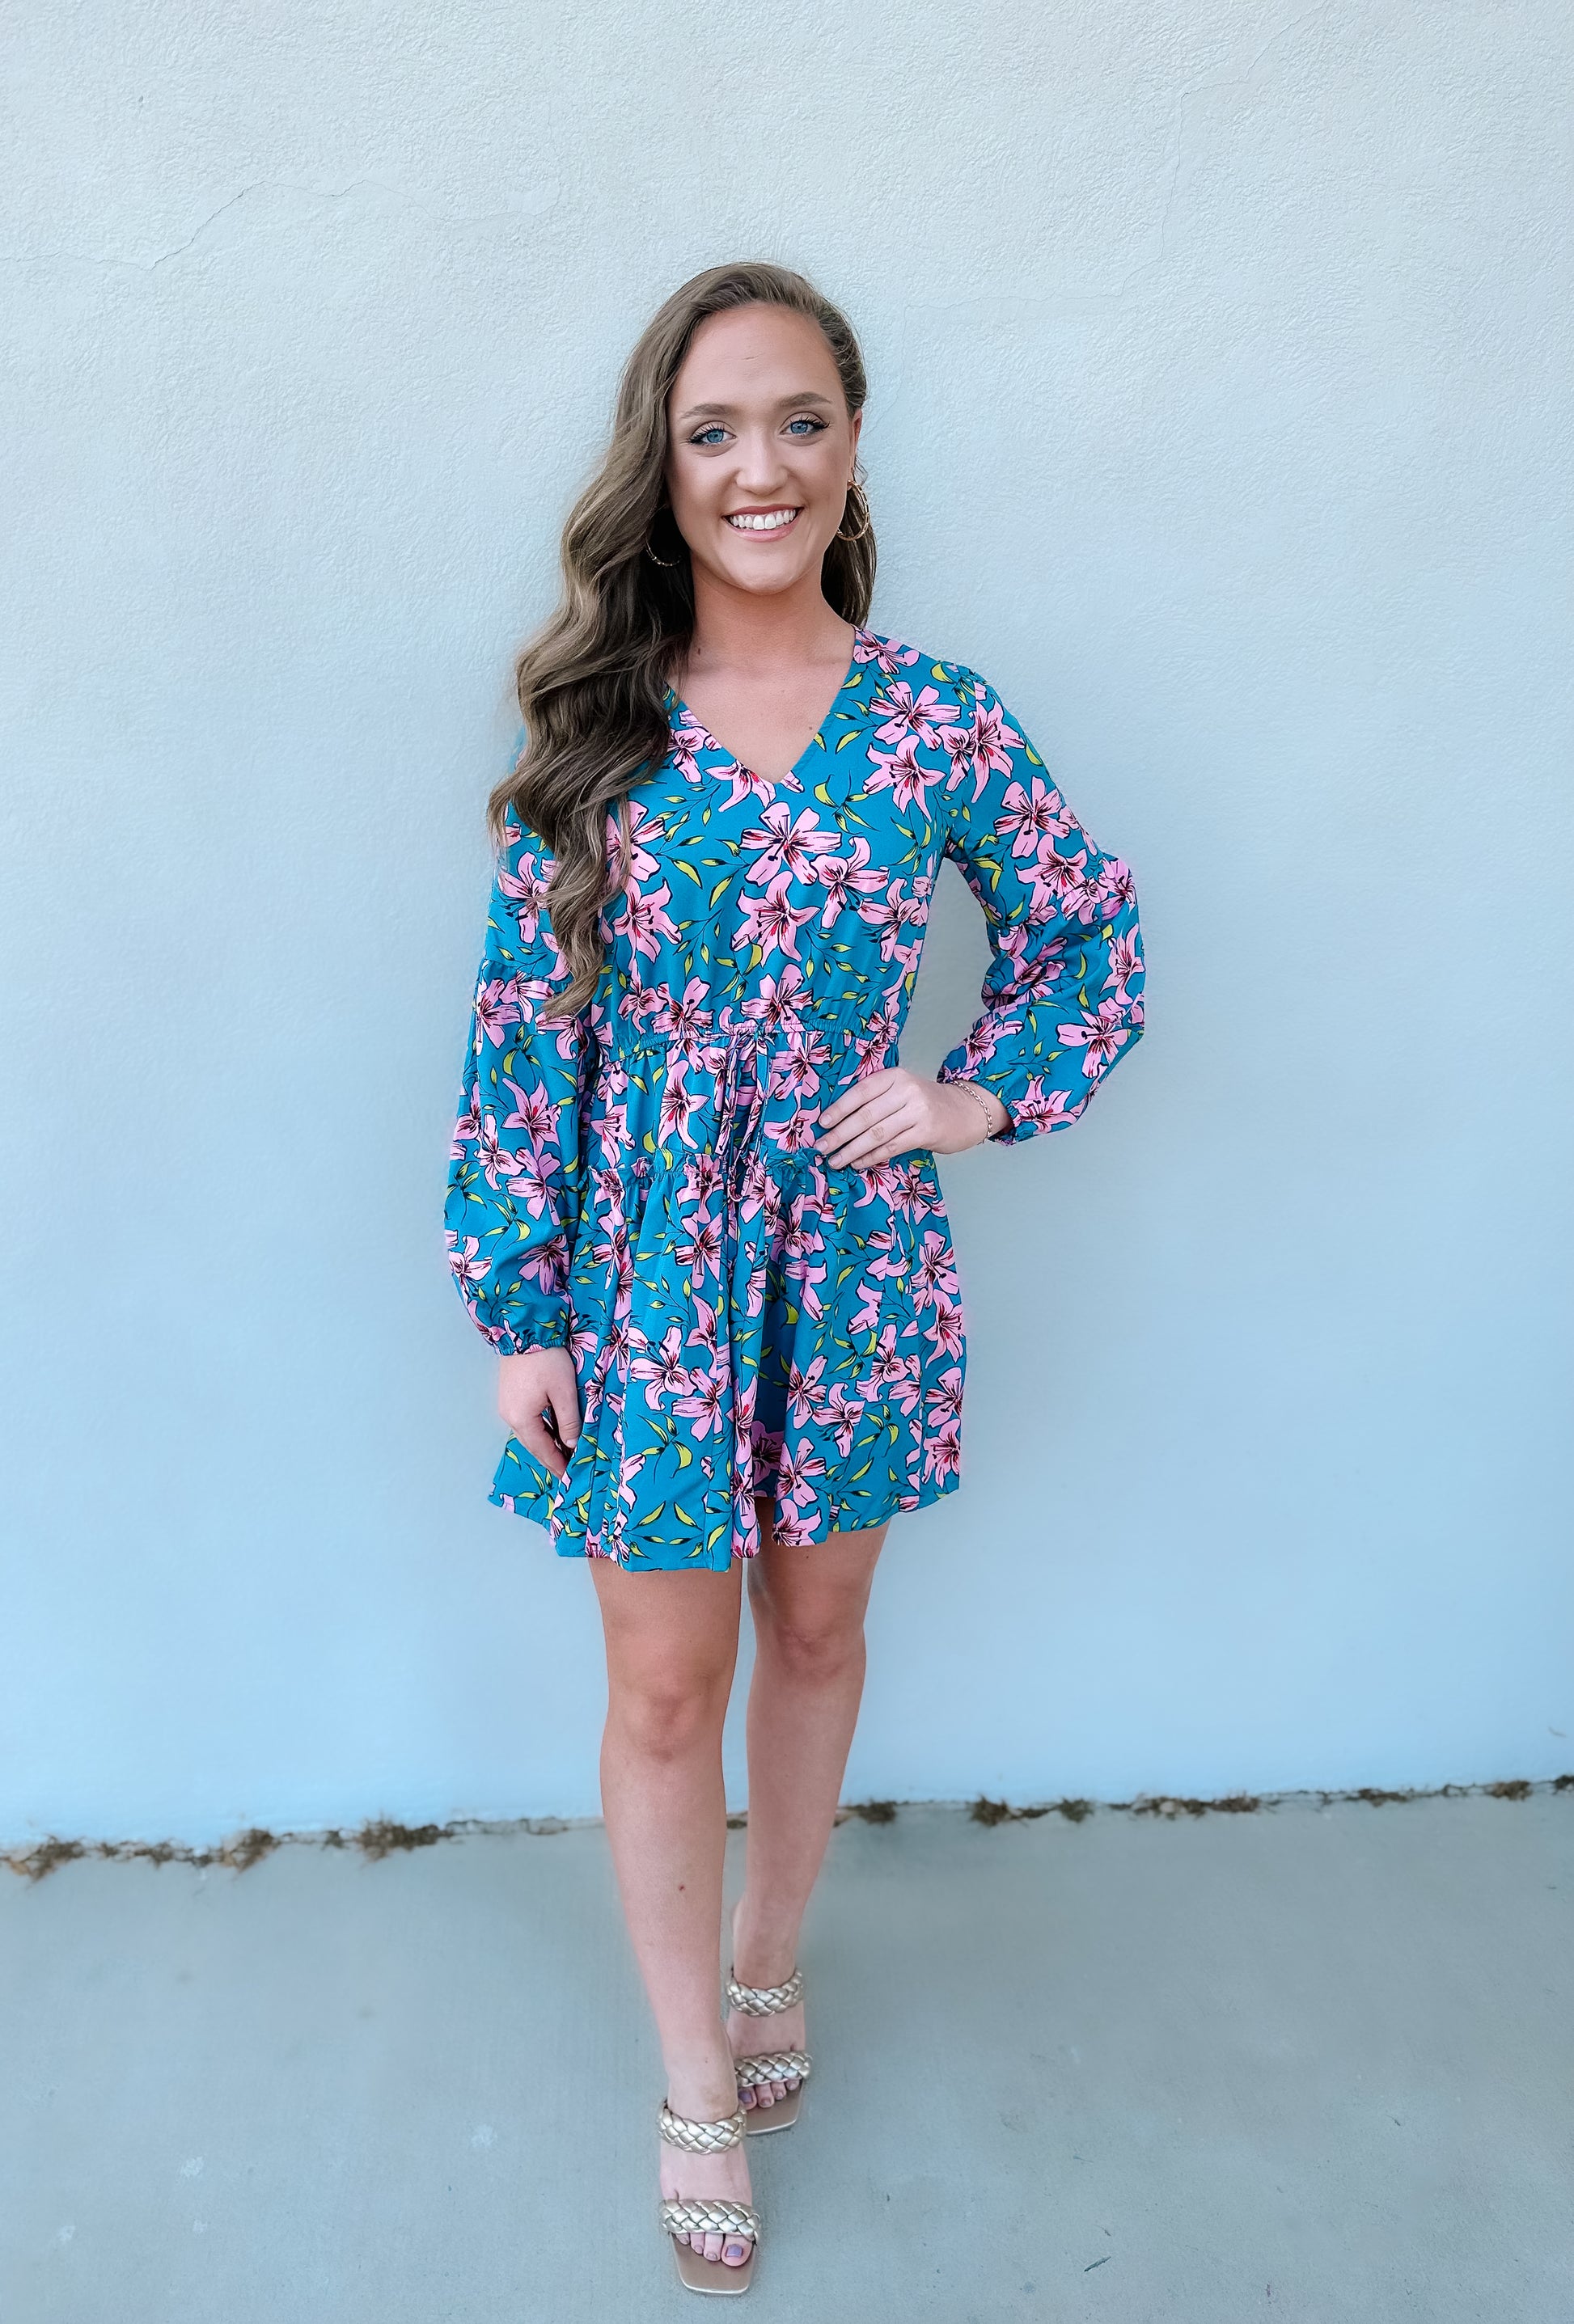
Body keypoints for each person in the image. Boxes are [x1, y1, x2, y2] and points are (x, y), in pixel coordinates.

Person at [444, 260, 1145, 2294]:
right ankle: (690, 2077)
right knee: (666, 1686)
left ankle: (767, 1960)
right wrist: (521, 1308)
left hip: (851, 1263)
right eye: (713, 431)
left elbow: (1087, 938)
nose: (761, 468)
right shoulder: (601, 724)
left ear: (849, 451)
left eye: (800, 422)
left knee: (818, 1637)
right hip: (647, 1270)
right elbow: (523, 1029)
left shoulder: (936, 718)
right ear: (661, 469)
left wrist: (968, 1097)